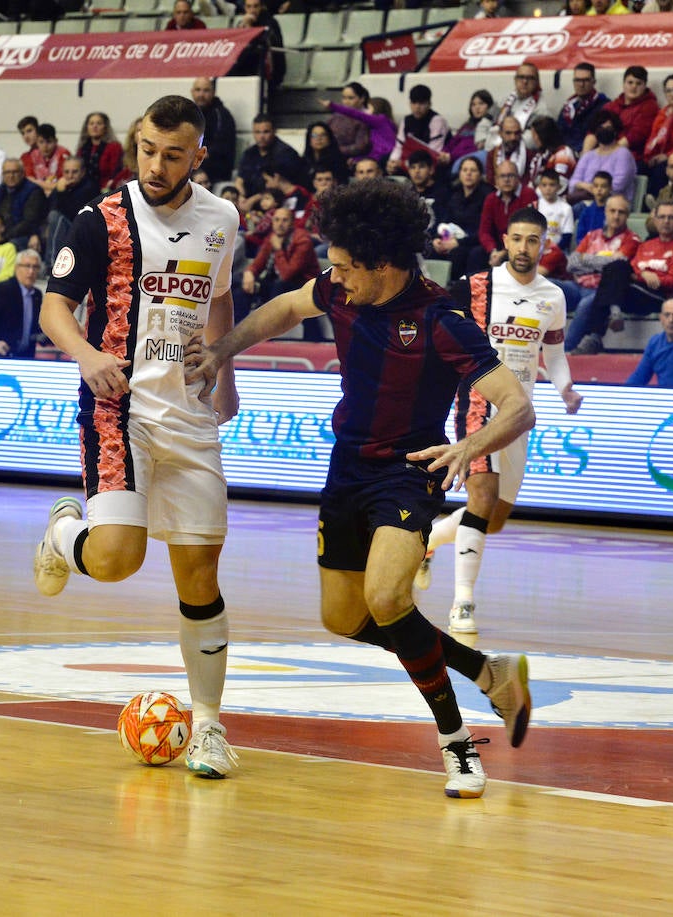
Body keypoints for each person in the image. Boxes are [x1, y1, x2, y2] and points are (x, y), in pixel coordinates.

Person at [185, 179, 536, 799]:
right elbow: (287, 308)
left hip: (408, 470)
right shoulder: (341, 287)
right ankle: (490, 673)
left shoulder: (441, 319)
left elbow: (518, 409)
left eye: (346, 267)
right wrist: (219, 352)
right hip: (347, 466)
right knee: (342, 617)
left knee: (387, 596)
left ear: (383, 265)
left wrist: (468, 448)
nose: (334, 277)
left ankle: (457, 746)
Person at [32, 95, 244, 779]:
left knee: (199, 576)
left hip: (190, 415)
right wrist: (88, 357)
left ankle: (208, 728)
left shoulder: (222, 219)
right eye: (147, 148)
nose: (156, 163)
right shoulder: (101, 219)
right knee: (119, 558)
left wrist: (226, 369)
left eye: (172, 153)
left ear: (198, 157)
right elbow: (55, 307)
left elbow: (218, 298)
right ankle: (65, 534)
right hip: (117, 408)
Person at [421, 207, 580, 636]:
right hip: (478, 400)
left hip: (520, 413)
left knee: (493, 517)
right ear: (505, 241)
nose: (525, 247)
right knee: (482, 495)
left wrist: (565, 389)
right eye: (518, 239)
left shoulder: (554, 296)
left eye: (534, 240)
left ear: (544, 244)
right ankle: (463, 603)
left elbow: (555, 353)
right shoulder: (476, 286)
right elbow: (438, 333)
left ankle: (429, 541)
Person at [576, 200, 673, 353]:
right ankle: (606, 321)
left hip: (661, 296)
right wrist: (643, 274)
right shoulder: (646, 245)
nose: (666, 221)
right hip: (636, 293)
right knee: (616, 265)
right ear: (655, 220)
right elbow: (632, 270)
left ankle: (596, 333)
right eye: (662, 217)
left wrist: (642, 276)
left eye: (671, 218)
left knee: (610, 283)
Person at [562, 193, 640, 351]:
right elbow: (571, 265)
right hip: (577, 286)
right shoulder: (592, 236)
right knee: (548, 287)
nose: (616, 216)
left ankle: (565, 353)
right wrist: (600, 262)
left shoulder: (631, 240)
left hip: (599, 292)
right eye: (612, 211)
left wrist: (586, 260)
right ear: (606, 212)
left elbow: (616, 265)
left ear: (627, 216)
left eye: (621, 212)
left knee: (585, 305)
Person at [242, 206, 320, 332]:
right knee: (239, 281)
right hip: (279, 281)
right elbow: (258, 264)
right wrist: (249, 273)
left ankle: (269, 332)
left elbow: (287, 274)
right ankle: (240, 330)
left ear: (292, 223)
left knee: (278, 285)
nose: (280, 224)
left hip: (304, 284)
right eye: (276, 220)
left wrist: (278, 249)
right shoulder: (272, 237)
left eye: (284, 220)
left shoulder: (302, 239)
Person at [427, 156, 490, 281]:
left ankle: (456, 290)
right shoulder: (454, 194)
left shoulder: (486, 196)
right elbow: (444, 220)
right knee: (432, 248)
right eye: (465, 170)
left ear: (480, 175)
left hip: (471, 241)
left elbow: (483, 230)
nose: (468, 174)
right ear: (459, 173)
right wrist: (437, 239)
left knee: (458, 253)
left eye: (473, 170)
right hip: (451, 238)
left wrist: (458, 242)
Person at [0, 249, 42, 358]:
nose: (31, 271)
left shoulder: (37, 295)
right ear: (16, 268)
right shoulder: (1, 290)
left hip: (22, 358)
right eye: (27, 266)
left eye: (35, 267)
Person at [473, 159, 536, 273]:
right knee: (476, 254)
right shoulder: (491, 199)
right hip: (497, 247)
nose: (506, 180)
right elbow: (484, 231)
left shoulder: (528, 194)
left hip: (520, 246)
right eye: (502, 176)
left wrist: (503, 252)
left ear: (518, 178)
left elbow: (527, 230)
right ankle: (476, 289)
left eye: (510, 176)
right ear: (496, 180)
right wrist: (493, 251)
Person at [593, 65, 659, 166]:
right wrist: (586, 155)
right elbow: (593, 130)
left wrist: (607, 155)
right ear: (623, 84)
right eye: (630, 82)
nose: (633, 86)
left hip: (633, 158)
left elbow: (635, 136)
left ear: (645, 86)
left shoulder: (650, 107)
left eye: (638, 83)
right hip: (605, 152)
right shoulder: (611, 106)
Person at [566, 111, 636, 203]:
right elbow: (573, 182)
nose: (604, 130)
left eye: (608, 128)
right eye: (601, 128)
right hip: (585, 198)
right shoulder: (588, 156)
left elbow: (618, 185)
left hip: (613, 202)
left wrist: (597, 189)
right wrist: (586, 186)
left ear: (615, 131)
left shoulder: (623, 154)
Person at [235, 113, 301, 206]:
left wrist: (251, 201)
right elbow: (240, 180)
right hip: (249, 201)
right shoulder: (249, 153)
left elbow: (276, 187)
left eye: (266, 132)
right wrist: (241, 196)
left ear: (274, 131)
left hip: (277, 203)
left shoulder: (286, 153)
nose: (261, 136)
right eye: (257, 132)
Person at [643, 74, 673, 197]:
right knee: (640, 167)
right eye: (668, 91)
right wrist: (649, 157)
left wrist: (667, 156)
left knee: (662, 168)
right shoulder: (661, 114)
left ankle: (656, 203)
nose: (672, 94)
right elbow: (653, 138)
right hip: (659, 156)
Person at [0, 159, 48, 252]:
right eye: (7, 172)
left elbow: (29, 222)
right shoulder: (0, 190)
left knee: (10, 246)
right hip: (1, 232)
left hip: (25, 235)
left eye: (15, 172)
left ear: (23, 173)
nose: (11, 176)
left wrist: (4, 237)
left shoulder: (34, 191)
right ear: (3, 175)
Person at [389, 84, 451, 174]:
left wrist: (405, 164)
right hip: (410, 162)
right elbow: (399, 146)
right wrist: (392, 162)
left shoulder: (437, 120)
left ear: (429, 104)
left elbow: (434, 152)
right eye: (414, 103)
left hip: (431, 164)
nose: (417, 107)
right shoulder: (406, 120)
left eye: (421, 103)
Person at [191, 78, 237, 186]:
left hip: (216, 168)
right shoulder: (189, 113)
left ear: (213, 93)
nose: (201, 95)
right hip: (195, 161)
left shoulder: (222, 115)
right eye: (198, 90)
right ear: (192, 92)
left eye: (206, 90)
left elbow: (221, 147)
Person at [559, 62, 609, 154]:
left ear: (593, 82)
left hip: (589, 154)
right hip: (566, 152)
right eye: (577, 80)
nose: (581, 85)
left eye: (585, 80)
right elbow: (559, 131)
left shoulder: (604, 106)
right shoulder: (568, 106)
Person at [491, 63, 551, 139]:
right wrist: (483, 139)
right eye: (521, 77)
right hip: (496, 145)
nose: (525, 81)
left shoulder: (542, 109)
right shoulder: (504, 101)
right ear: (515, 80)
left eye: (530, 78)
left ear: (537, 82)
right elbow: (486, 121)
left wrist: (505, 140)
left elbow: (533, 139)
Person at [77, 112, 124, 194]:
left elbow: (116, 172)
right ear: (87, 127)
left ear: (105, 127)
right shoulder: (82, 148)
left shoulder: (114, 147)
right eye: (91, 123)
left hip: (105, 190)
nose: (95, 126)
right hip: (83, 189)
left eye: (99, 123)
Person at [326, 82, 373, 165]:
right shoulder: (334, 117)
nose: (346, 101)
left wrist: (335, 150)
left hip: (351, 160)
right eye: (344, 98)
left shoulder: (365, 118)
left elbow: (361, 146)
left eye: (351, 98)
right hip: (330, 155)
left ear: (362, 98)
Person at [23, 123, 70, 193]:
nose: (45, 146)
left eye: (49, 142)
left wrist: (37, 183)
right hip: (37, 194)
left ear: (56, 141)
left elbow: (62, 184)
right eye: (41, 142)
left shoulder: (63, 155)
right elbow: (29, 181)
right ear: (36, 142)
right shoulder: (31, 156)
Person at [301, 122, 348, 190]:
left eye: (323, 135)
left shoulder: (338, 161)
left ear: (329, 139)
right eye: (314, 135)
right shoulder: (303, 162)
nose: (319, 138)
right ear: (309, 139)